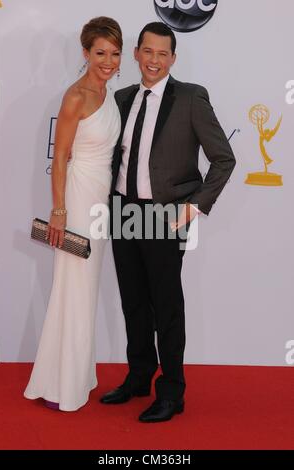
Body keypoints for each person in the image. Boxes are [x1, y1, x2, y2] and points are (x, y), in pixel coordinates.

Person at [100, 22, 236, 422]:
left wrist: (192, 208)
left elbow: (224, 159)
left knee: (166, 305)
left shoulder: (192, 99)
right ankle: (139, 376)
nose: (154, 60)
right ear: (137, 54)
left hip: (166, 216)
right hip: (124, 211)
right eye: (148, 52)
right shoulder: (121, 97)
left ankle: (172, 391)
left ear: (172, 59)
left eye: (163, 54)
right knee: (133, 302)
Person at [24, 17, 122, 411]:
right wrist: (59, 210)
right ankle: (60, 383)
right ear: (85, 53)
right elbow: (60, 157)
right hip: (79, 199)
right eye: (100, 53)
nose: (109, 61)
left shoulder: (109, 93)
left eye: (115, 54)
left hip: (100, 199)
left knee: (85, 288)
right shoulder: (76, 96)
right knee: (73, 287)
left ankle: (76, 375)